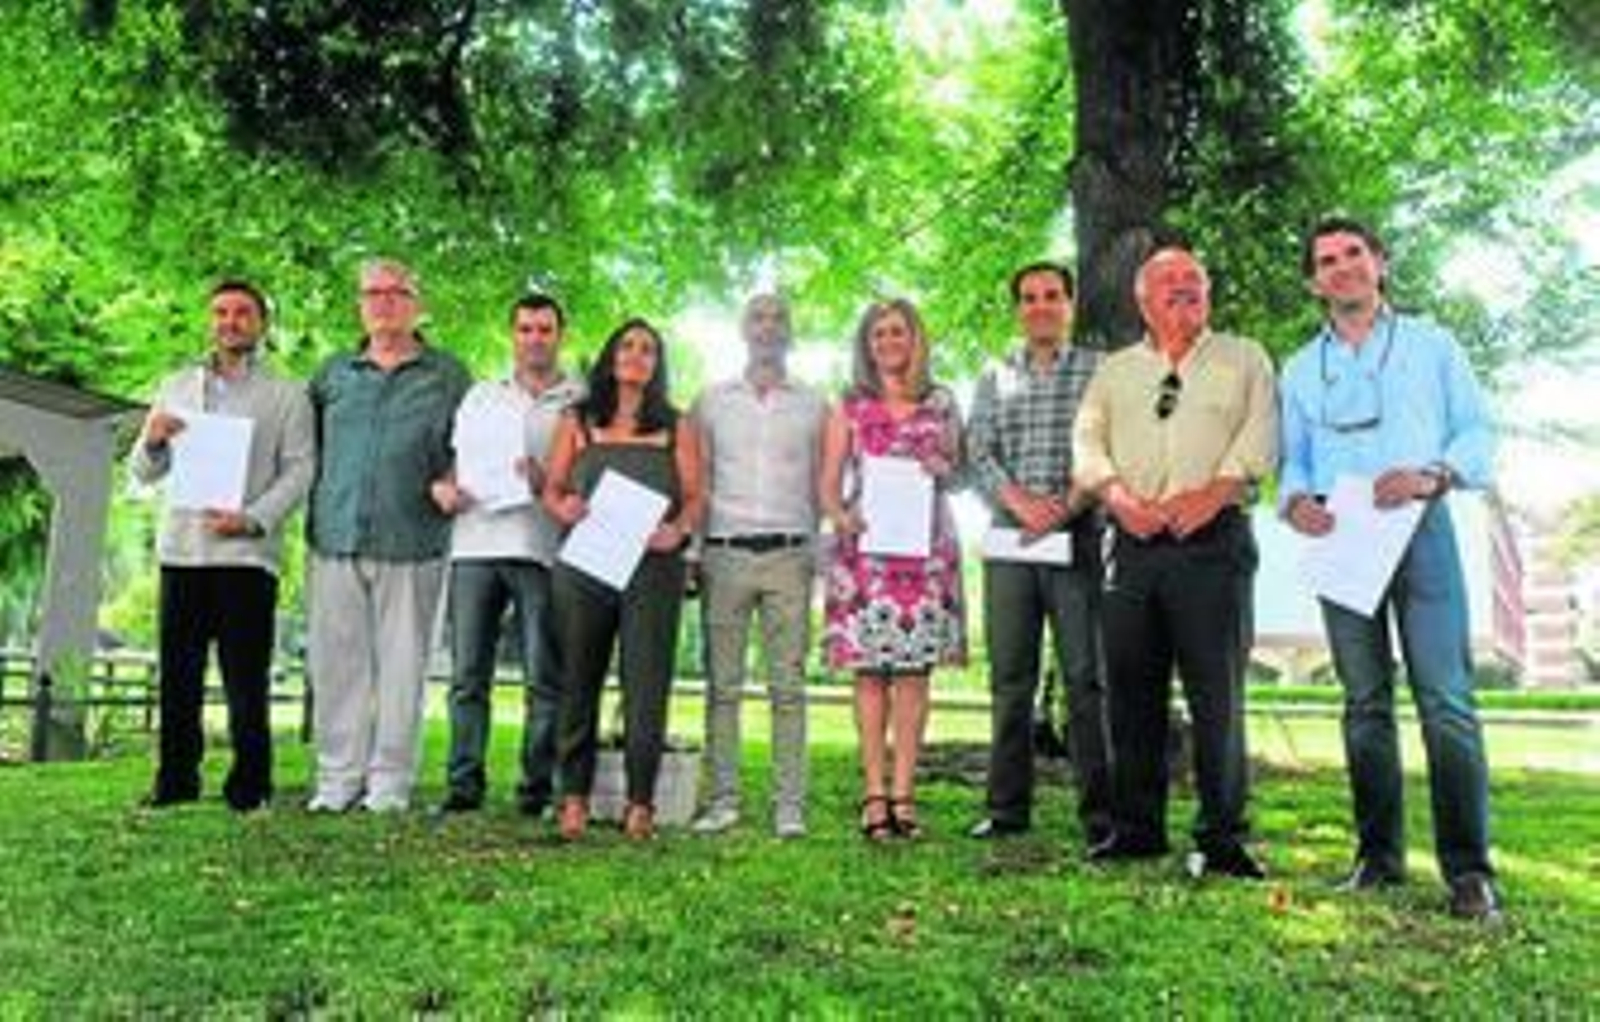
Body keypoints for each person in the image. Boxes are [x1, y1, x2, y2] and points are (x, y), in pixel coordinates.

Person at [1279, 217, 1500, 920]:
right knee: (1365, 704)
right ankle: (1378, 857)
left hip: (1420, 528)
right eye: (1326, 260)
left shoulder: (1432, 345)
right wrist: (1293, 503)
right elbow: (1295, 460)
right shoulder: (1298, 368)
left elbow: (1477, 431)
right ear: (1314, 281)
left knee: (1447, 702)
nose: (1342, 267)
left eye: (1354, 254)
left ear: (1379, 263)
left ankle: (1469, 872)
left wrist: (1435, 473)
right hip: (1343, 539)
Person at [1072, 245, 1278, 878]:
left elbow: (1262, 435)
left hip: (1213, 544)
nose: (1184, 288)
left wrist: (1213, 493)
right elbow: (1087, 445)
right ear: (1142, 299)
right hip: (1131, 545)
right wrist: (1118, 497)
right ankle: (1136, 828)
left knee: (1218, 693)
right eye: (1169, 281)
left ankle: (1222, 835)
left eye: (1195, 279)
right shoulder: (1113, 372)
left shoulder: (1245, 358)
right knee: (1130, 693)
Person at [131, 279, 315, 812]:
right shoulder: (175, 386)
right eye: (221, 312)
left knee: (245, 679)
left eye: (242, 313)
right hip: (182, 553)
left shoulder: (287, 396)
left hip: (246, 557)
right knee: (178, 677)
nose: (230, 321)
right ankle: (175, 782)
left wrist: (253, 520)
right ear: (211, 321)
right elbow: (144, 472)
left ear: (261, 324)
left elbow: (301, 470)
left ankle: (250, 785)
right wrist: (153, 439)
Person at [305, 259, 471, 813]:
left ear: (416, 304)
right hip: (335, 536)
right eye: (372, 294)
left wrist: (453, 480)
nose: (382, 303)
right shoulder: (333, 374)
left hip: (413, 539)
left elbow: (467, 453)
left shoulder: (448, 375)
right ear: (360, 304)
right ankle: (336, 780)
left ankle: (390, 783)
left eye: (395, 293)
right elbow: (305, 454)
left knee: (403, 669)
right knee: (336, 666)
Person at [966, 262, 1111, 845]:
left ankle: (1101, 817)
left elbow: (1108, 447)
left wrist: (1065, 505)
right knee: (1010, 678)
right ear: (1018, 310)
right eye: (1029, 298)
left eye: (1052, 296)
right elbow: (978, 450)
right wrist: (1020, 503)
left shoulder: (1099, 371)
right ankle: (1006, 810)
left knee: (1085, 677)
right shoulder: (995, 375)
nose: (1041, 306)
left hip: (1076, 538)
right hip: (1011, 541)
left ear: (1070, 305)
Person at [542, 318, 704, 841]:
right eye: (628, 346)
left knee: (647, 683)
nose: (637, 355)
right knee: (577, 680)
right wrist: (563, 505)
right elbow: (553, 489)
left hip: (653, 569)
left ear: (658, 365)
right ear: (611, 356)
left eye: (648, 350)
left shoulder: (678, 426)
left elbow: (698, 497)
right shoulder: (577, 421)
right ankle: (573, 797)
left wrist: (677, 531)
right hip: (586, 564)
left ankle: (641, 801)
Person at [430, 293, 585, 817]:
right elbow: (457, 465)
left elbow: (586, 479)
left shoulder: (579, 399)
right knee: (468, 676)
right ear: (512, 335)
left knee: (545, 676)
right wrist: (445, 490)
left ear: (560, 334)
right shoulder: (480, 395)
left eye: (544, 329)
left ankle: (534, 788)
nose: (535, 338)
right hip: (474, 544)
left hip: (542, 549)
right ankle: (463, 785)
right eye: (525, 329)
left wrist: (548, 482)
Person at [819, 298, 966, 841]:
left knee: (912, 673)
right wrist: (840, 516)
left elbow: (960, 473)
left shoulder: (942, 401)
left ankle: (905, 794)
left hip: (927, 553)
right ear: (867, 343)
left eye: (897, 331)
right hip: (866, 553)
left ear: (915, 338)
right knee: (869, 671)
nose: (888, 341)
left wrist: (942, 467)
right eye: (878, 333)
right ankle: (873, 794)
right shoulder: (850, 405)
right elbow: (828, 485)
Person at [690, 294, 827, 839]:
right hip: (724, 552)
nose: (768, 328)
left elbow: (824, 484)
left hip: (790, 555)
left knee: (788, 688)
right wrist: (693, 552)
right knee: (722, 687)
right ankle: (722, 802)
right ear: (743, 330)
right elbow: (698, 480)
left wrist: (821, 550)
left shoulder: (815, 405)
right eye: (758, 318)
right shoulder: (711, 401)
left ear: (790, 332)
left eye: (778, 319)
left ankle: (788, 807)